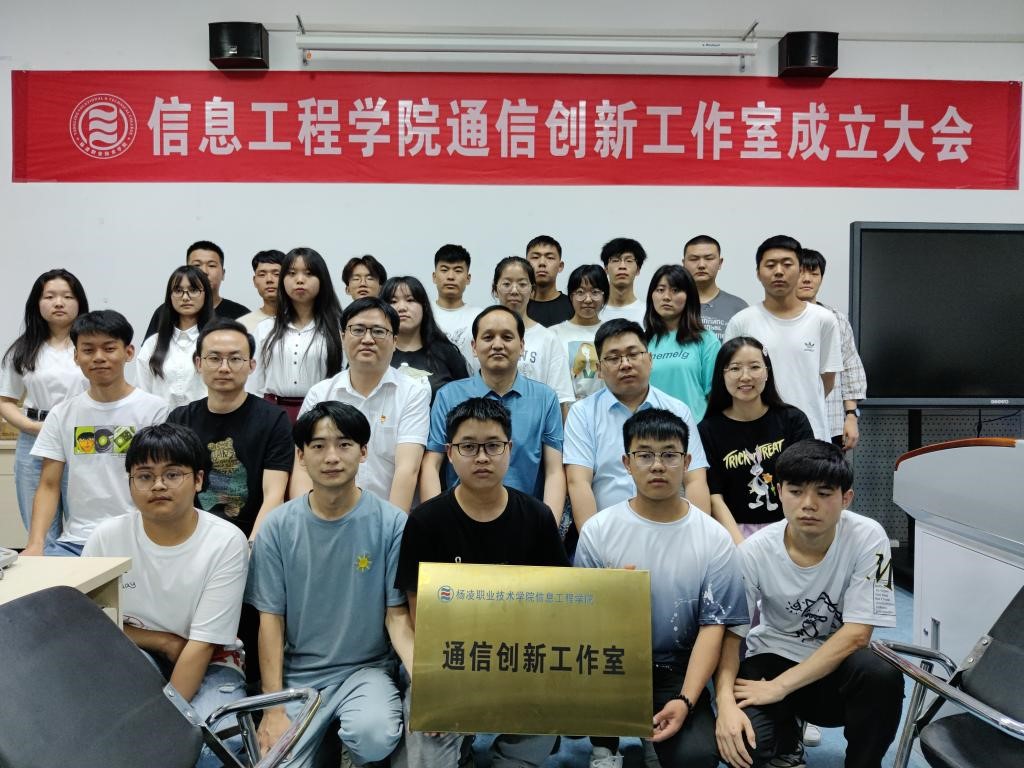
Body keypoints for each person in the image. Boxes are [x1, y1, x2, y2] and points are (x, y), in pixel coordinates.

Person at [398, 397, 569, 768]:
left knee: (552, 697)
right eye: (468, 447)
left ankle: (510, 755)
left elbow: (556, 605)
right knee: (428, 753)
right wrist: (435, 680)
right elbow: (418, 616)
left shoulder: (537, 517)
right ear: (449, 453)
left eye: (493, 446)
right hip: (447, 658)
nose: (481, 457)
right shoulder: (426, 522)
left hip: (518, 655)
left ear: (510, 449)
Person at [714, 440, 903, 768]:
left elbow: (858, 634)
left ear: (846, 498)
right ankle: (786, 735)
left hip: (835, 670)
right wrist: (725, 704)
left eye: (824, 493)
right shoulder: (753, 552)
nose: (808, 504)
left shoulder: (868, 537)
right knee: (741, 746)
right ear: (779, 492)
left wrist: (780, 688)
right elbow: (730, 638)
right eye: (796, 491)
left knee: (881, 675)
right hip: (772, 657)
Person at [575, 408, 748, 768]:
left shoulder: (713, 538)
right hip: (611, 662)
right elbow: (580, 618)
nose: (657, 465)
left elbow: (713, 628)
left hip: (677, 669)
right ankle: (604, 746)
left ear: (686, 462)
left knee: (697, 757)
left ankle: (658, 730)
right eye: (645, 455)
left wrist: (685, 700)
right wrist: (606, 595)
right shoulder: (599, 530)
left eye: (669, 454)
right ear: (627, 463)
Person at [245, 402, 413, 768]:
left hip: (366, 672)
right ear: (301, 456)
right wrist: (272, 708)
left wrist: (427, 682)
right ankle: (320, 746)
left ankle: (348, 743)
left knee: (374, 736)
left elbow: (397, 616)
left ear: (363, 452)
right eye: (318, 446)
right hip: (299, 678)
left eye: (344, 444)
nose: (332, 457)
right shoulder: (277, 527)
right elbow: (270, 621)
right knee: (275, 761)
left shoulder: (392, 523)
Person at [82, 422, 248, 768]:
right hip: (134, 654)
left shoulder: (226, 542)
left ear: (198, 480)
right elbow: (90, 623)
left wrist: (161, 728)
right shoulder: (107, 537)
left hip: (212, 661)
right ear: (130, 483)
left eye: (172, 474)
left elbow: (201, 646)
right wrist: (161, 641)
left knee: (210, 750)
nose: (158, 485)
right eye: (144, 476)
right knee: (102, 733)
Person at [24, 310, 169, 556]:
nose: (99, 357)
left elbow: (163, 480)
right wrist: (35, 544)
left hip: (140, 538)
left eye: (109, 348)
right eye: (88, 350)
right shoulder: (62, 414)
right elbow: (48, 484)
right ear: (76, 356)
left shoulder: (156, 411)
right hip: (76, 542)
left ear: (129, 353)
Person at [564, 319, 710, 534]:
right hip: (608, 532)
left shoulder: (677, 410)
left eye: (633, 354)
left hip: (670, 530)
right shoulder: (583, 413)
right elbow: (578, 482)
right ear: (599, 369)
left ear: (650, 359)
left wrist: (697, 536)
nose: (625, 364)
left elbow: (695, 479)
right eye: (613, 358)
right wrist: (595, 543)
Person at [419, 306, 565, 519]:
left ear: (522, 345)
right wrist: (436, 522)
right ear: (474, 346)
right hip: (459, 520)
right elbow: (432, 464)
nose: (497, 345)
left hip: (526, 521)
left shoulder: (545, 398)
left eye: (507, 337)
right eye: (488, 337)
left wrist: (548, 526)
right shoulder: (448, 396)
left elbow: (554, 471)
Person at [298, 297, 429, 512]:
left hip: (388, 513)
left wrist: (393, 525)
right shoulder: (320, 394)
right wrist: (308, 519)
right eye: (358, 330)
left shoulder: (413, 392)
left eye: (378, 331)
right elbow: (302, 466)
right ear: (342, 337)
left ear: (395, 341)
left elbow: (408, 468)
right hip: (328, 515)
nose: (367, 339)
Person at [168, 318, 292, 542]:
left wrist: (252, 547)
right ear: (198, 363)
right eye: (214, 358)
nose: (224, 368)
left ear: (251, 365)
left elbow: (274, 495)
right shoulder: (180, 419)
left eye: (235, 359)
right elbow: (173, 486)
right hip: (191, 537)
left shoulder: (274, 419)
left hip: (251, 536)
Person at [0, 269, 89, 549]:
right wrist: (33, 427)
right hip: (35, 437)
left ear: (79, 302)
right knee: (40, 530)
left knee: (83, 525)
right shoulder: (23, 349)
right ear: (37, 303)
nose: (58, 303)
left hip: (81, 438)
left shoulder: (90, 346)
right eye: (49, 296)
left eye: (67, 296)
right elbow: (5, 401)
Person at [724, 236, 841, 442]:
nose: (779, 271)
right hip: (757, 433)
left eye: (787, 264)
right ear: (758, 273)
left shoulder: (823, 319)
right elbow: (731, 378)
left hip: (810, 431)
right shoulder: (741, 321)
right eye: (770, 265)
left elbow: (827, 380)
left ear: (800, 270)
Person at [698, 337, 814, 544]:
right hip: (732, 534)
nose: (745, 377)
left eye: (754, 367)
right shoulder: (707, 430)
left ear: (767, 372)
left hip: (789, 531)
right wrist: (740, 546)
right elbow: (714, 495)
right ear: (722, 375)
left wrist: (790, 538)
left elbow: (806, 483)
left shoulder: (793, 420)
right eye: (735, 368)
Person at [250, 247, 344, 423]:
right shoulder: (265, 329)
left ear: (322, 279)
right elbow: (253, 383)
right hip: (271, 414)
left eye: (309, 273)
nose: (300, 280)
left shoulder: (339, 329)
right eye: (292, 273)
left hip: (322, 415)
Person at [797, 248, 867, 451]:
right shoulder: (777, 320)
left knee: (829, 471)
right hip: (790, 420)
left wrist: (851, 416)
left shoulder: (836, 319)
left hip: (832, 420)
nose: (807, 279)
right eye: (801, 273)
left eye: (814, 274)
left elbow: (851, 368)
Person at [491, 256, 574, 415]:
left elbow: (561, 400)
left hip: (536, 424)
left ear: (532, 290)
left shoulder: (548, 339)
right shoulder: (482, 335)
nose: (514, 290)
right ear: (495, 289)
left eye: (522, 284)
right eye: (507, 284)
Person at [644, 264, 720, 421]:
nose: (666, 297)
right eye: (660, 290)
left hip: (694, 428)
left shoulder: (707, 340)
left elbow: (716, 396)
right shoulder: (642, 342)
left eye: (675, 290)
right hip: (649, 430)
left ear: (689, 296)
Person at [381, 275, 470, 401]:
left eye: (410, 300)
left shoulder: (447, 353)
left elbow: (466, 399)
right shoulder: (375, 352)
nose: (402, 308)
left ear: (425, 307)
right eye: (393, 302)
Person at [136, 266, 213, 409]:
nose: (185, 297)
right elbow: (142, 394)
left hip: (206, 420)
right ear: (170, 296)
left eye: (193, 290)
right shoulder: (152, 344)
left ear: (205, 294)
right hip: (161, 421)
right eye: (178, 290)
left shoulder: (217, 341)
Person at [143, 241, 250, 338]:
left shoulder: (241, 315)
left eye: (211, 265)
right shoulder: (165, 312)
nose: (204, 271)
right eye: (197, 265)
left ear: (223, 274)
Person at [550, 264, 610, 400]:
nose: (588, 299)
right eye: (580, 292)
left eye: (595, 292)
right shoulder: (553, 334)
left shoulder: (612, 334)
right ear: (571, 296)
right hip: (565, 409)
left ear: (604, 296)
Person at [682, 235, 748, 342]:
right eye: (694, 259)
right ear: (684, 263)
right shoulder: (671, 303)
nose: (701, 265)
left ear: (720, 263)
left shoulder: (738, 307)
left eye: (709, 258)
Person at [430, 243, 480, 366]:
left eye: (458, 271)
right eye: (444, 270)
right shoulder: (423, 312)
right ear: (434, 277)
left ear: (468, 278)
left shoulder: (480, 316)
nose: (451, 277)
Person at [525, 234, 574, 326]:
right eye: (535, 257)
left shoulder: (574, 306)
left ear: (560, 266)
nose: (542, 263)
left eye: (550, 258)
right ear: (525, 265)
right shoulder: (517, 305)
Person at [599, 237, 647, 325]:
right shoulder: (593, 312)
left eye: (629, 260)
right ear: (606, 269)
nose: (622, 266)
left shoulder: (649, 313)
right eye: (615, 260)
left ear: (638, 270)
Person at [237, 249, 284, 332]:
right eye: (262, 274)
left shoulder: (303, 320)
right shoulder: (243, 325)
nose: (269, 280)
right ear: (254, 281)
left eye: (276, 274)